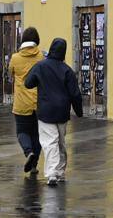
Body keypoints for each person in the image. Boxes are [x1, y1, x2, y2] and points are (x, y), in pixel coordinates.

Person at [24, 38, 83, 187]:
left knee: (50, 143)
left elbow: (28, 83)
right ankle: (61, 171)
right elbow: (75, 94)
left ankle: (52, 174)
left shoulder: (40, 66)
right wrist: (79, 111)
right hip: (62, 112)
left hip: (45, 111)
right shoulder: (67, 70)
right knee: (61, 143)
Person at [8, 27, 44, 175]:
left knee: (22, 131)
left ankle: (28, 152)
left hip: (21, 103)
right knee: (37, 134)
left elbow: (10, 75)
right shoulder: (41, 56)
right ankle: (34, 166)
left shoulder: (15, 58)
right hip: (38, 103)